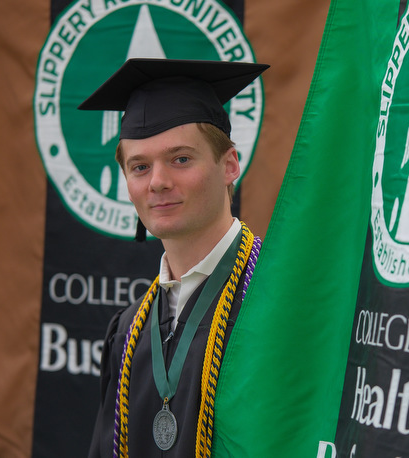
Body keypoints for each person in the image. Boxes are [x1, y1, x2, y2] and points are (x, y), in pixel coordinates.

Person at [79, 58, 268, 458]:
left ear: (229, 164)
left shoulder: (277, 299)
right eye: (140, 167)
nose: (158, 181)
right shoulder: (129, 331)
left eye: (181, 159)